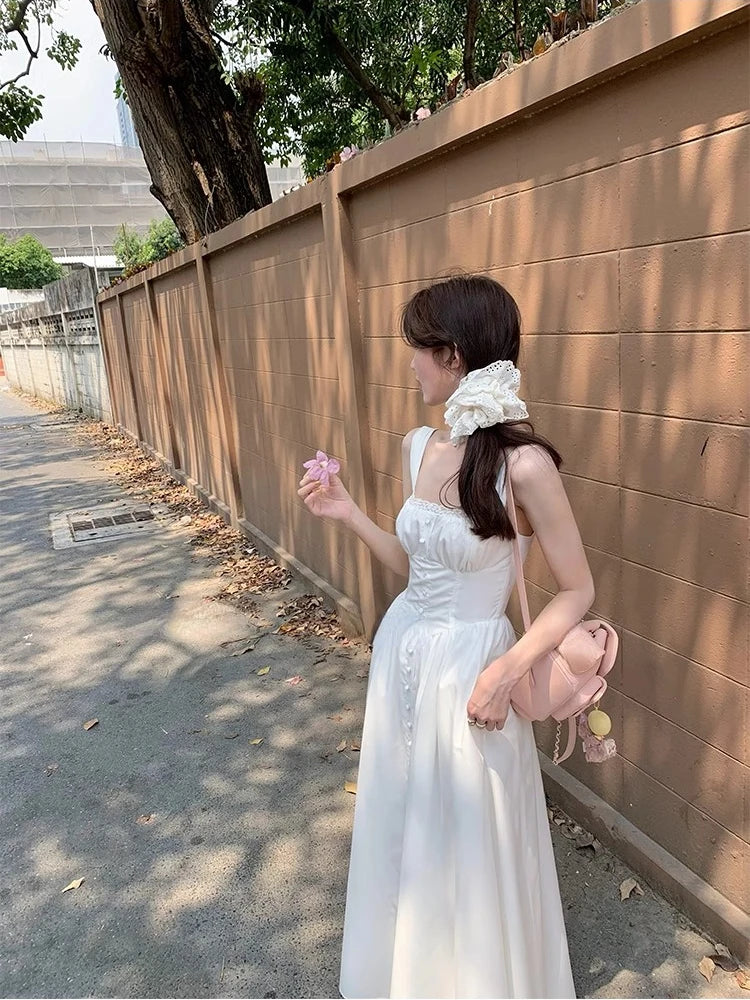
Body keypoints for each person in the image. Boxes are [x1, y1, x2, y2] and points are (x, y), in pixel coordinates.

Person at [298, 275, 592, 999]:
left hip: (474, 665)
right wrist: (349, 514)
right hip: (403, 652)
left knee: (471, 829)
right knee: (407, 819)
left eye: (418, 350)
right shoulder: (418, 446)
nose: (410, 365)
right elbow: (415, 565)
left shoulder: (525, 465)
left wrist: (504, 671)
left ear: (453, 354)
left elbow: (578, 590)